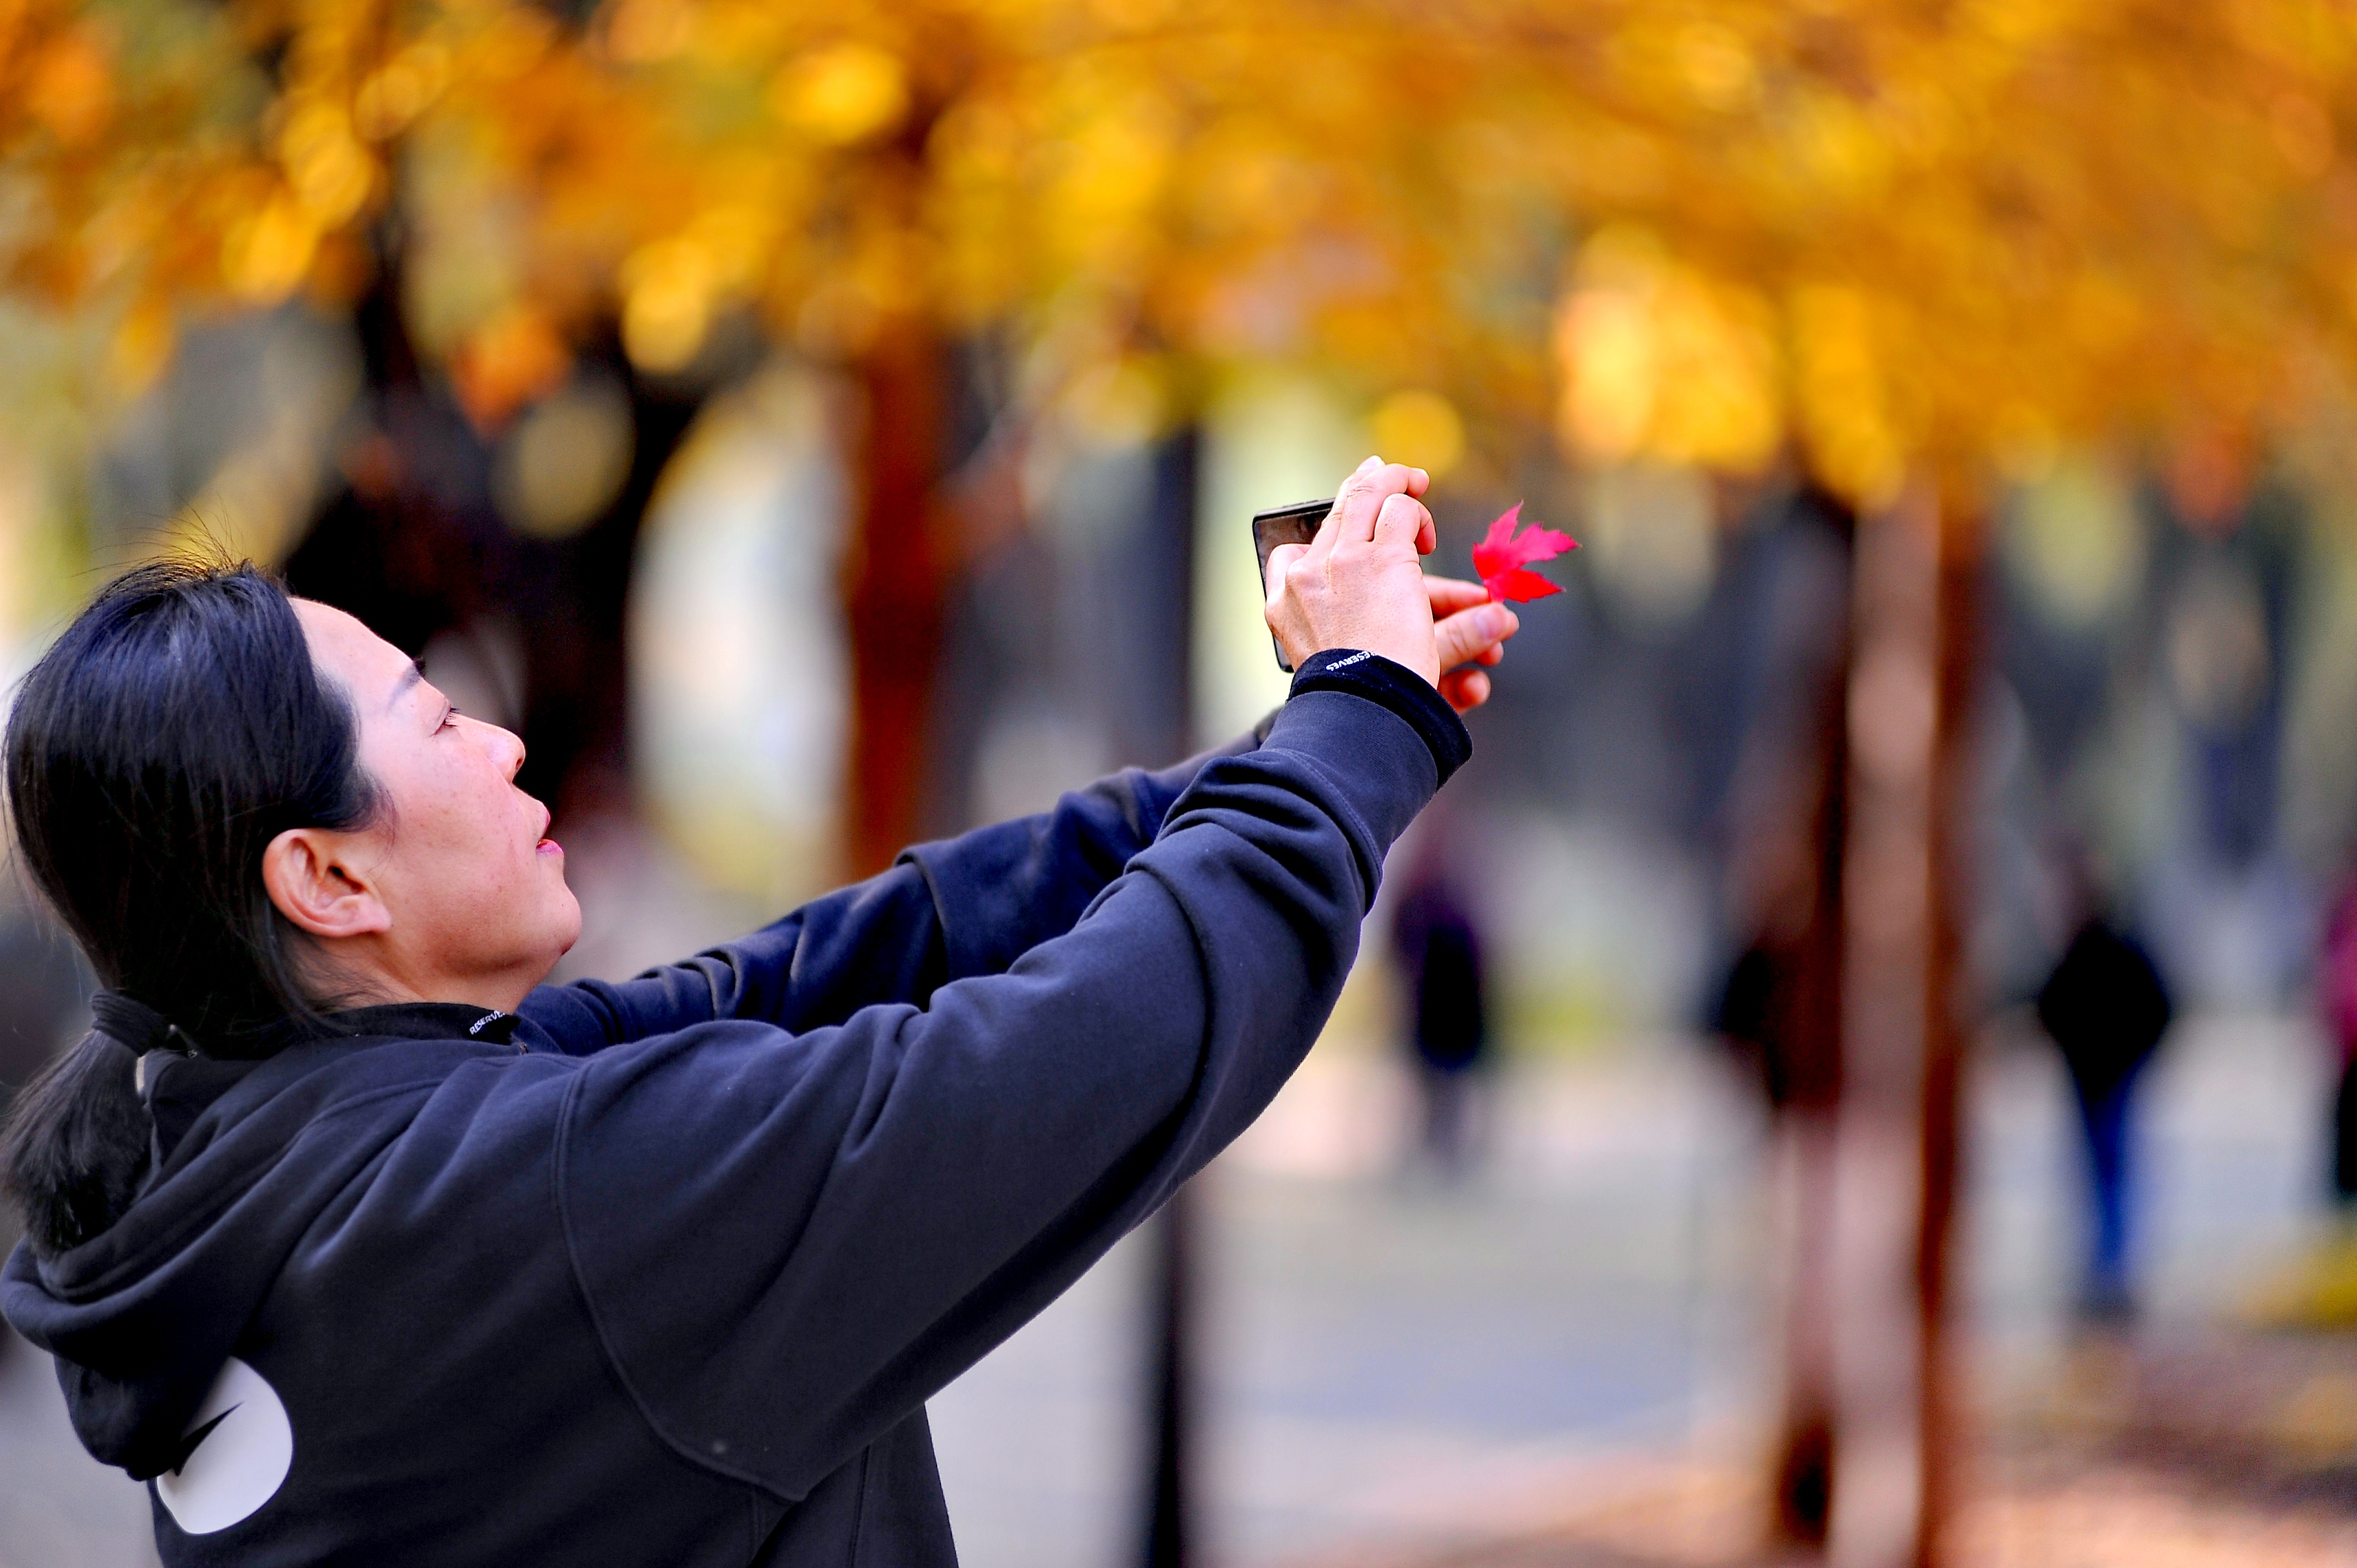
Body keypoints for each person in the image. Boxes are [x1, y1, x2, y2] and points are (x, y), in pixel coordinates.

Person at [0, 457, 1516, 1566]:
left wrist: (1315, 736)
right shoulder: (547, 1198)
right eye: (438, 716)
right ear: (324, 877)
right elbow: (1095, 1054)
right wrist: (1355, 723)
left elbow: (842, 969)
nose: (507, 740)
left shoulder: (263, 1159)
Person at [2034, 904, 2174, 1320]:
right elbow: (2050, 1009)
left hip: (2107, 1083)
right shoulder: (2087, 956)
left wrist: (2133, 1061)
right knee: (2103, 1182)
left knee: (2106, 1182)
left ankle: (2110, 1274)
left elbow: (2157, 1010)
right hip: (2097, 1083)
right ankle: (2106, 1273)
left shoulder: (2100, 956)